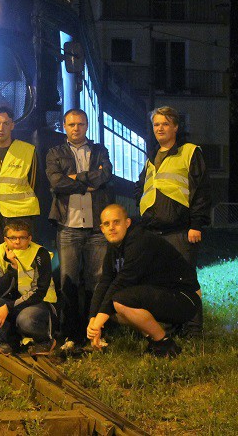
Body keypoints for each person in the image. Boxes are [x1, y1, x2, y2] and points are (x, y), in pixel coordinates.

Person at [87, 204, 202, 357]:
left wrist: (99, 323)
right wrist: (93, 319)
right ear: (102, 228)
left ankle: (164, 343)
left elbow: (122, 282)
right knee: (113, 308)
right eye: (107, 224)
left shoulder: (139, 240)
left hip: (186, 297)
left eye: (116, 222)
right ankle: (155, 341)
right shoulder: (114, 246)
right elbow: (105, 281)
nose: (111, 227)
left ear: (127, 223)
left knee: (120, 301)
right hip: (165, 293)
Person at [135, 106, 211, 337]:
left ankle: (193, 330)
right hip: (154, 231)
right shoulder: (151, 158)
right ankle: (170, 328)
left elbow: (201, 190)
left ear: (176, 127)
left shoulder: (189, 152)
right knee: (162, 284)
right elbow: (143, 187)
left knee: (186, 282)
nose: (160, 128)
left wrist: (196, 224)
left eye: (165, 124)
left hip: (180, 230)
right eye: (156, 124)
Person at [46, 108, 113, 344]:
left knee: (97, 283)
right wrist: (88, 180)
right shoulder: (54, 152)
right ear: (64, 126)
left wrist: (74, 178)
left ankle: (95, 333)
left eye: (81, 124)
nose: (76, 128)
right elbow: (56, 182)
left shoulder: (99, 150)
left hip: (97, 229)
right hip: (68, 227)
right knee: (68, 283)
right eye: (72, 124)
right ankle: (69, 336)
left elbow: (105, 176)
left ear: (87, 126)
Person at [0, 107, 39, 301]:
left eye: (5, 123)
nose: (1, 128)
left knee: (21, 266)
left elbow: (35, 183)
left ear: (12, 125)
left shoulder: (27, 151)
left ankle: (19, 316)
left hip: (18, 217)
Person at [0, 220, 57, 356]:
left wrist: (8, 307)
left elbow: (39, 292)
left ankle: (44, 341)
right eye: (13, 238)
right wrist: (12, 269)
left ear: (29, 238)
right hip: (12, 302)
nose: (17, 242)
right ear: (5, 239)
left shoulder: (40, 253)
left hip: (37, 303)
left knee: (25, 319)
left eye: (22, 238)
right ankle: (10, 343)